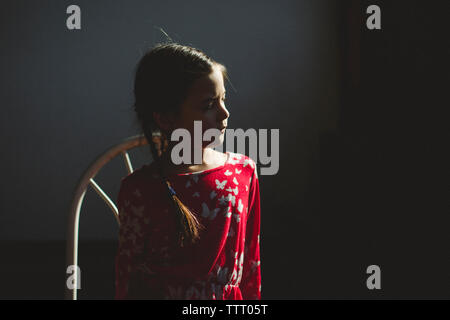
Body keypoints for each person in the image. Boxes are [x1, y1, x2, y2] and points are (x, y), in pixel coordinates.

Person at [115, 42, 261, 300]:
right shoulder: (139, 190)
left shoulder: (243, 172)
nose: (224, 113)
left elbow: (250, 265)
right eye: (208, 105)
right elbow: (129, 280)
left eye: (223, 99)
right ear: (166, 118)